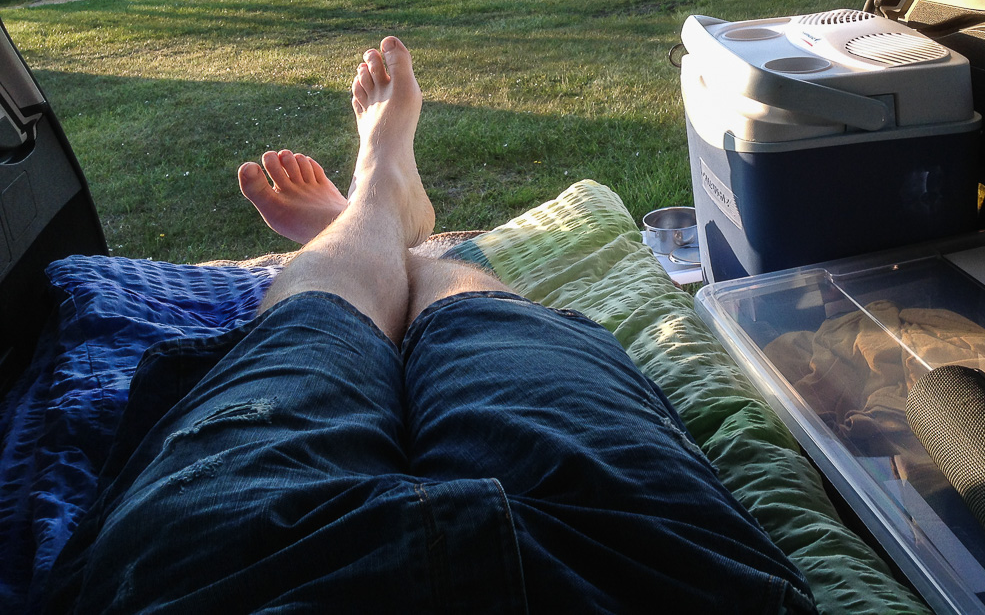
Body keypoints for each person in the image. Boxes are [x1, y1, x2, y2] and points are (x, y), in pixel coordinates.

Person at [46, 38, 815, 614]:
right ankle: (390, 217)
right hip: (637, 569)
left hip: (231, 576)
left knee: (317, 329)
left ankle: (375, 208)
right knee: (481, 330)